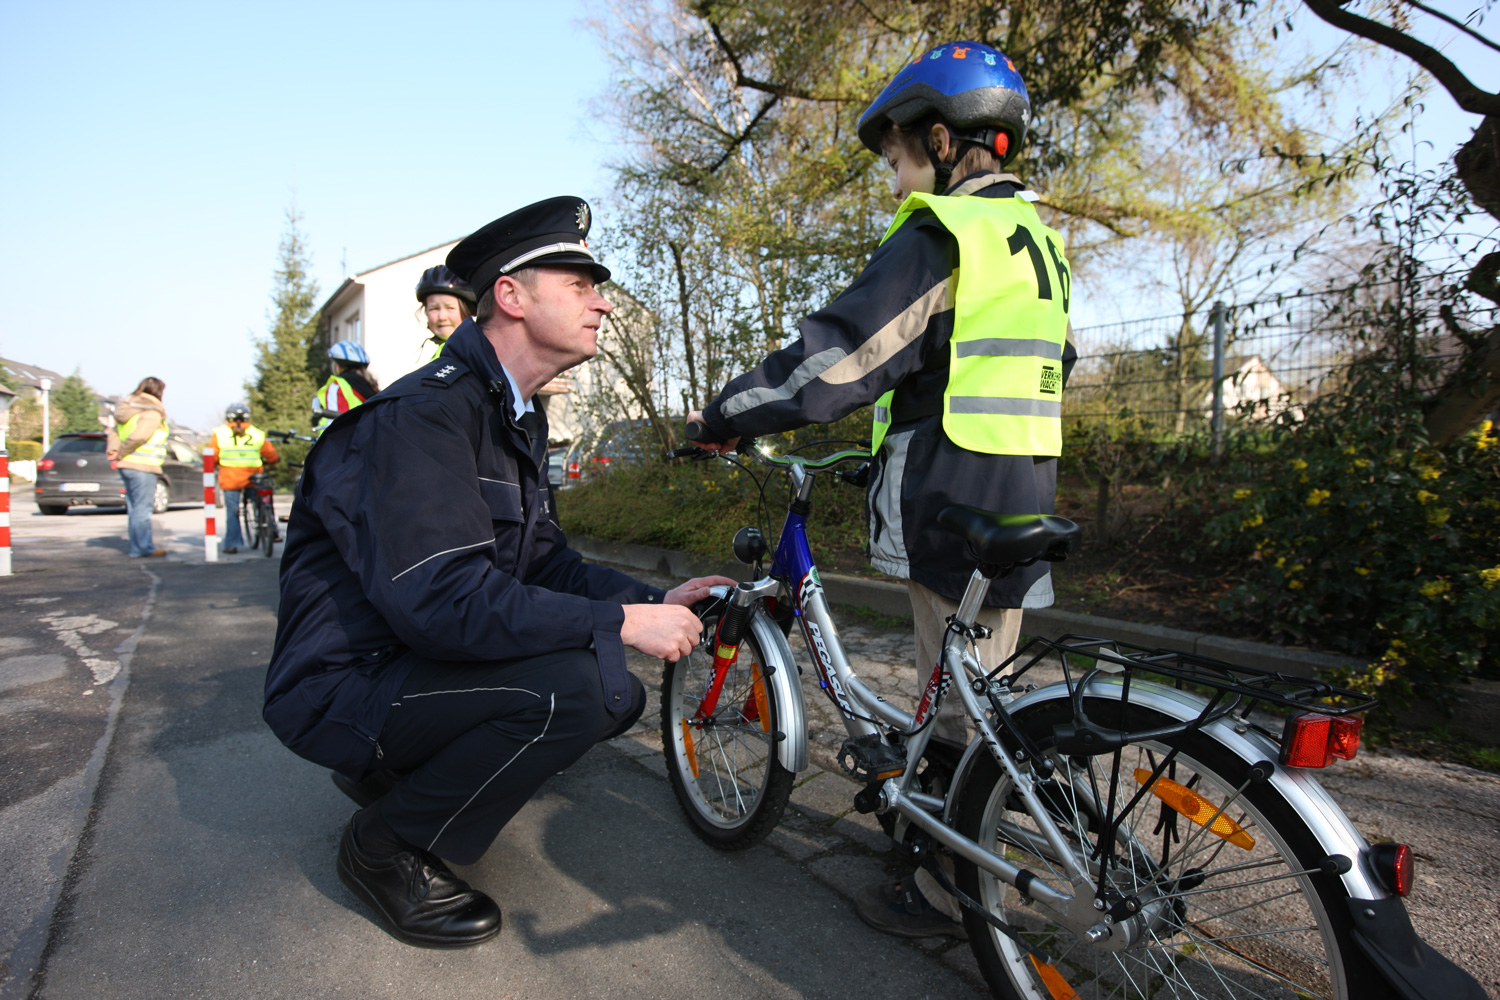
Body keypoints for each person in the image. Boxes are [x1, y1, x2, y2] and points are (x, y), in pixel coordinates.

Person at [264, 195, 734, 949]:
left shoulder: (509, 414)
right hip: (344, 684)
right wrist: (619, 623)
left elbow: (543, 563)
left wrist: (654, 599)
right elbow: (444, 604)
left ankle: (398, 773)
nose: (602, 302)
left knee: (608, 686)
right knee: (582, 689)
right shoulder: (423, 419)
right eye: (580, 284)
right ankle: (382, 846)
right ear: (511, 296)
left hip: (406, 664)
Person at [686, 41, 1077, 939]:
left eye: (899, 158)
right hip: (1020, 486)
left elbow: (841, 358)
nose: (898, 182)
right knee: (973, 693)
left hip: (949, 495)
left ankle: (943, 889)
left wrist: (725, 413)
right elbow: (1025, 366)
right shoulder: (1041, 248)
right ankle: (942, 834)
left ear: (942, 141)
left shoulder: (945, 231)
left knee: (955, 705)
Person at [106, 377, 170, 558]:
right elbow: (139, 437)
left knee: (135, 509)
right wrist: (122, 453)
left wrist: (114, 450)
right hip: (143, 465)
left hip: (127, 466)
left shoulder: (129, 411)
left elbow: (115, 432)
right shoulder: (151, 413)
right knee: (143, 509)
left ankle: (137, 547)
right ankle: (143, 548)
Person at [211, 403, 280, 554]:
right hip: (253, 477)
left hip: (231, 478)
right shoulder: (257, 433)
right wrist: (273, 461)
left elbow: (213, 456)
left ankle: (232, 543)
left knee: (233, 511)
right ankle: (269, 527)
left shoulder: (219, 433)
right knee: (260, 503)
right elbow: (271, 455)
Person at [312, 341, 378, 435]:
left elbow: (335, 423)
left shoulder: (338, 386)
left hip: (344, 445)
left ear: (338, 366)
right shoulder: (372, 387)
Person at [415, 264, 476, 360]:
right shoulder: (442, 353)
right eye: (434, 309)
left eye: (450, 308)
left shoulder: (474, 349)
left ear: (469, 310)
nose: (442, 317)